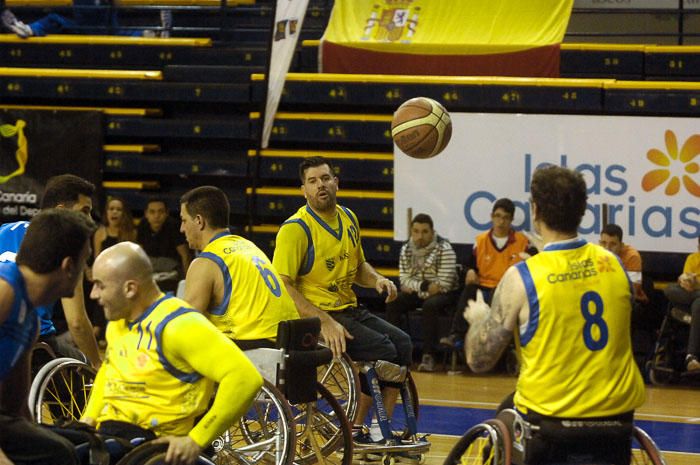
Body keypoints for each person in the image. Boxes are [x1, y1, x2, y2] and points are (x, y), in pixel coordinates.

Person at [465, 165, 645, 465]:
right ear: (583, 210)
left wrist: (480, 319)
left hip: (549, 421)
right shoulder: (614, 264)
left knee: (507, 410)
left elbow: (478, 360)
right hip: (616, 418)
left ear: (535, 211)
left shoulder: (522, 277)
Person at [272, 156, 411, 442]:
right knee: (383, 349)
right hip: (316, 317)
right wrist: (324, 322)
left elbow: (359, 266)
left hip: (349, 308)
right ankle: (357, 428)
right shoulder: (296, 229)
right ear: (304, 190)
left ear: (336, 182)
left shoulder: (348, 217)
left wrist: (378, 280)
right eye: (312, 181)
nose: (320, 185)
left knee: (404, 344)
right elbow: (282, 285)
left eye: (325, 178)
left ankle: (377, 425)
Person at [84, 241, 263, 464]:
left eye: (100, 285)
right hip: (112, 434)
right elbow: (109, 371)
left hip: (153, 446)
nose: (92, 294)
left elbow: (245, 378)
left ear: (130, 289)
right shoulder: (118, 323)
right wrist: (88, 419)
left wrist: (197, 439)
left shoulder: (180, 325)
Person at [0, 209, 95, 465]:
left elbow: (17, 412)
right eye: (85, 260)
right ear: (68, 266)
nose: (88, 272)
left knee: (69, 447)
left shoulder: (30, 322)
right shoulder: (5, 291)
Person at [0, 174, 101, 369]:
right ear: (61, 211)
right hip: (40, 344)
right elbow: (77, 322)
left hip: (27, 336)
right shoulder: (67, 247)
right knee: (86, 372)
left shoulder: (5, 230)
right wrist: (97, 365)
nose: (90, 221)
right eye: (85, 211)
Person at [179, 186, 299, 349]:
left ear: (199, 221)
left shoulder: (206, 262)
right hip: (293, 342)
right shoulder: (249, 246)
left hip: (258, 350)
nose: (181, 228)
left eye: (184, 220)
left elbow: (185, 323)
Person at [440, 198, 531, 353]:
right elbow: (469, 265)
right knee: (468, 290)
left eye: (505, 217)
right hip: (483, 286)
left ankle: (498, 344)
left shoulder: (522, 242)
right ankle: (457, 335)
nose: (501, 221)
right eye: (498, 216)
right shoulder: (480, 241)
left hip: (506, 289)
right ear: (491, 216)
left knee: (501, 296)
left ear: (511, 220)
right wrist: (469, 271)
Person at [384, 213, 459, 372]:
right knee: (393, 301)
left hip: (447, 294)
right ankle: (393, 353)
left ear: (432, 232)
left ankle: (428, 356)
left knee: (430, 305)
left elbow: (443, 285)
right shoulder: (406, 249)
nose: (420, 236)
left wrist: (417, 288)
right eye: (416, 231)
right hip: (422, 292)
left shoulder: (445, 249)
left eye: (425, 232)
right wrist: (425, 287)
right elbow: (404, 280)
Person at [136, 197, 190, 293]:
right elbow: (139, 253)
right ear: (146, 214)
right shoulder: (143, 225)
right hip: (151, 268)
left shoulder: (174, 226)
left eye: (161, 212)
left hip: (171, 270)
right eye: (152, 212)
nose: (157, 216)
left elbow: (185, 255)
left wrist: (186, 282)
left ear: (167, 213)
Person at [663, 235, 700, 373]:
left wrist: (696, 285)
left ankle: (691, 357)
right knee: (669, 289)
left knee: (698, 304)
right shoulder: (692, 258)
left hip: (695, 302)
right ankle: (694, 318)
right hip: (690, 298)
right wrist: (683, 280)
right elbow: (686, 283)